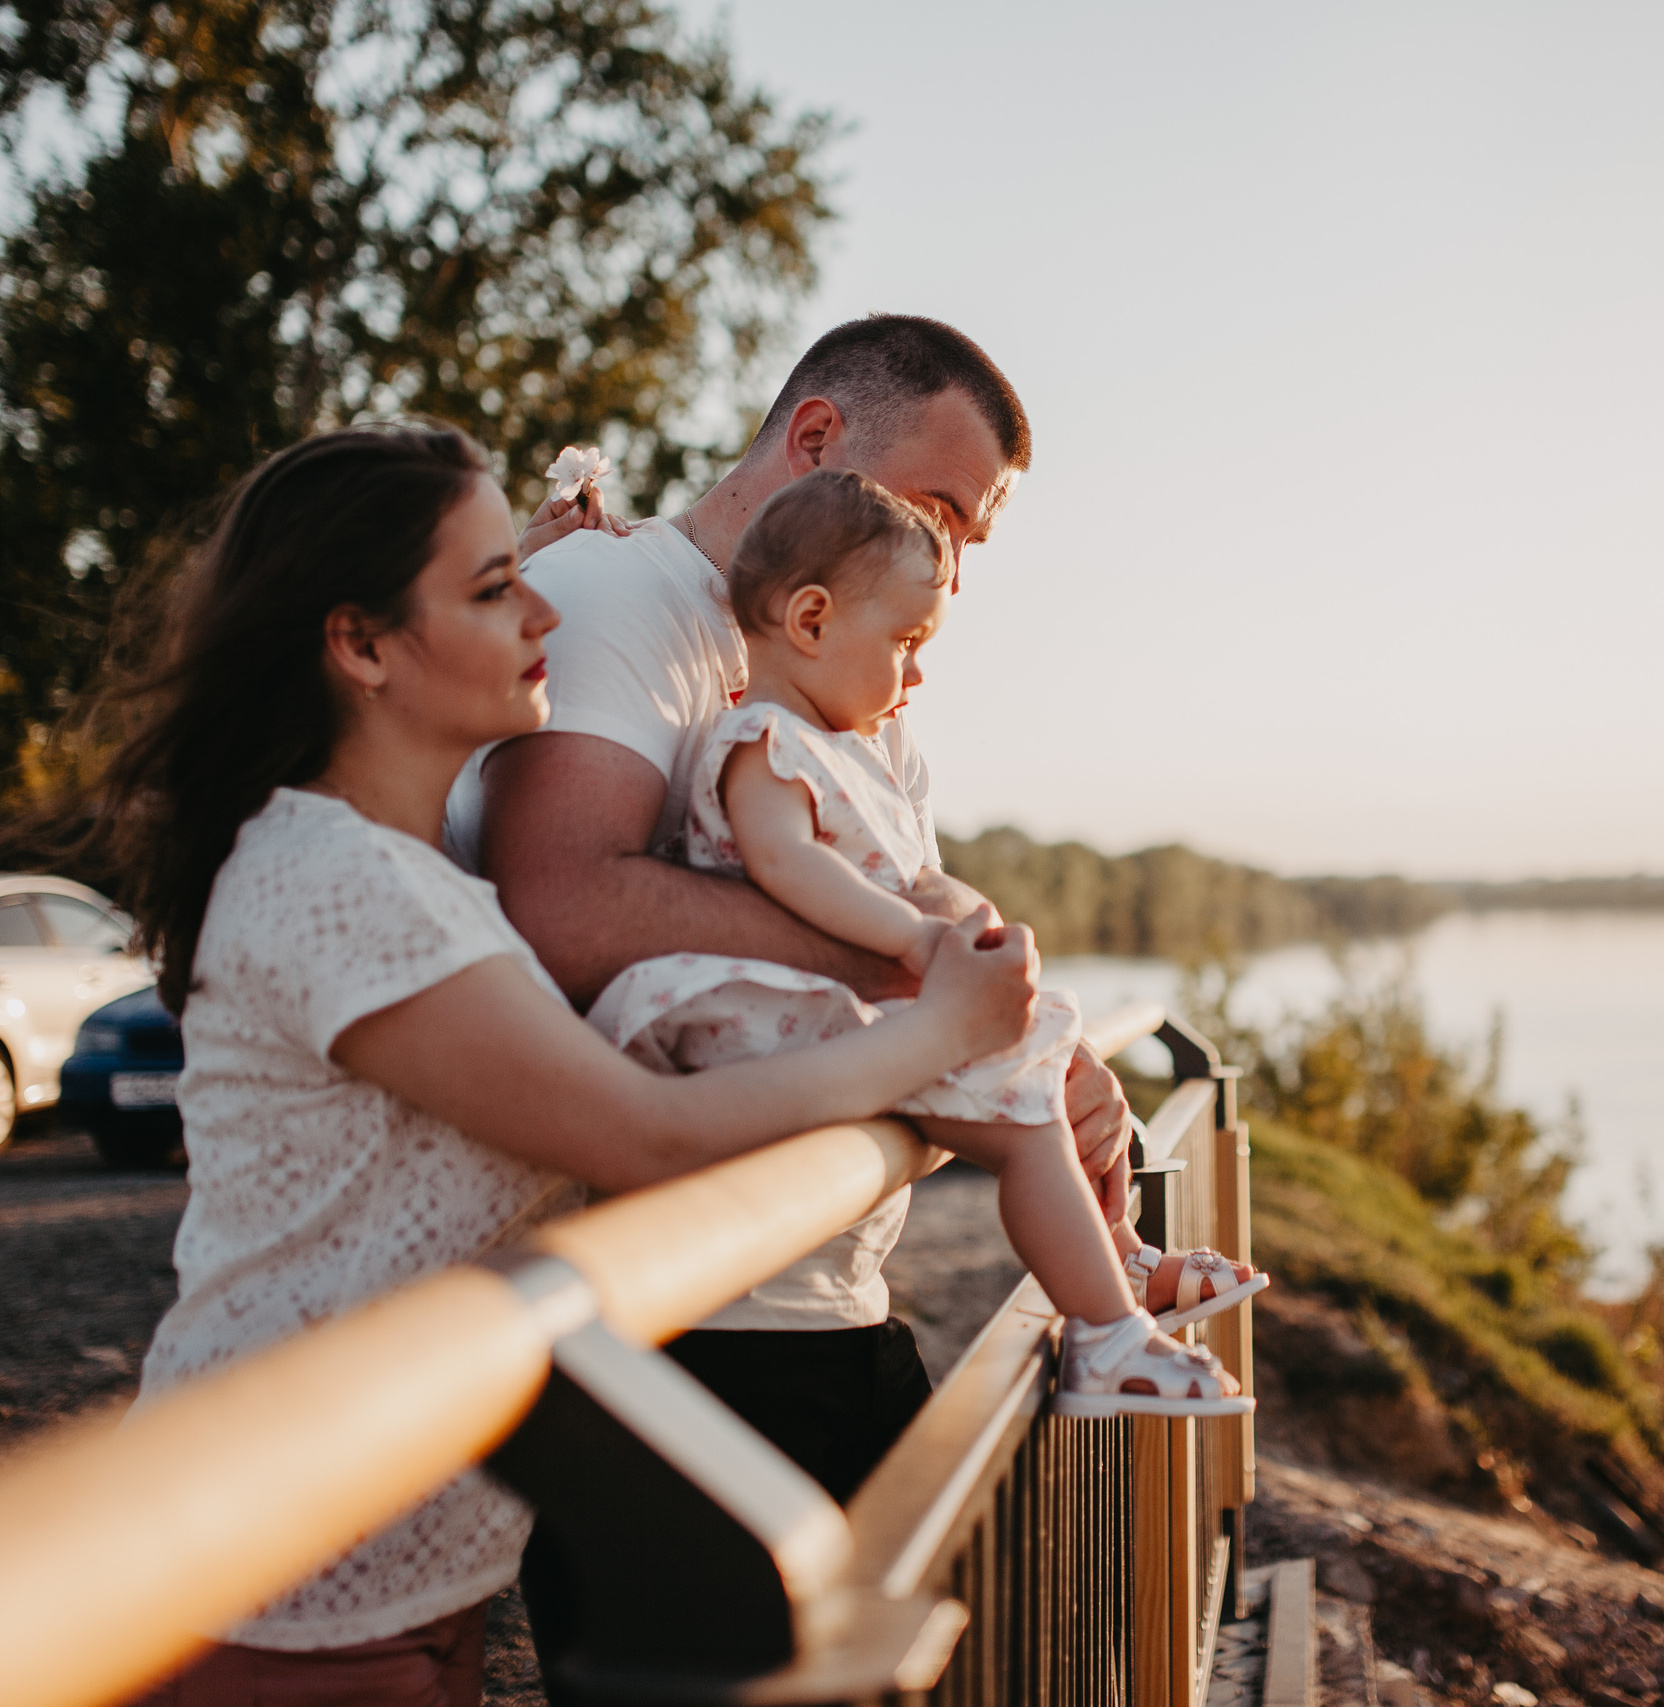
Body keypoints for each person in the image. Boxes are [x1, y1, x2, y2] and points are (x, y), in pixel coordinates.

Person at [29, 422, 1039, 1707]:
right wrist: (937, 1031)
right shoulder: (335, 883)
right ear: (360, 643)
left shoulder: (406, 869)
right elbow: (640, 1134)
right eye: (496, 586)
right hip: (281, 1594)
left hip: (395, 1580)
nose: (547, 607)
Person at [441, 317, 1162, 1506]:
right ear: (817, 441)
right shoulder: (608, 598)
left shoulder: (860, 706)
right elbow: (561, 903)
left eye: (966, 540)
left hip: (834, 1300)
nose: (951, 569)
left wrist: (1047, 1046)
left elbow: (909, 919)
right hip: (674, 1321)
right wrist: (935, 981)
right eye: (937, 510)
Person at [589, 467, 1256, 1416]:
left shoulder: (844, 751)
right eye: (906, 641)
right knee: (1027, 1127)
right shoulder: (760, 741)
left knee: (1048, 1046)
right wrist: (919, 942)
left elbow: (910, 869)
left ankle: (1117, 1262)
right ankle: (1105, 1333)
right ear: (811, 622)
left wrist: (971, 920)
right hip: (789, 1021)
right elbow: (789, 866)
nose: (918, 671)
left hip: (857, 1009)